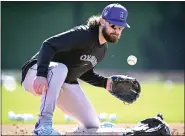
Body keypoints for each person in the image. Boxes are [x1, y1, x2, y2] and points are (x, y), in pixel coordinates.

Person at [21, 3, 130, 135]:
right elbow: (48, 45)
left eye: (121, 28)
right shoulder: (84, 34)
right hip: (34, 74)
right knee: (60, 69)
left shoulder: (102, 49)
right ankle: (42, 126)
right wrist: (41, 74)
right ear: (102, 21)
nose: (117, 31)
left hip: (62, 82)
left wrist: (104, 83)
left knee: (92, 125)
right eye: (114, 26)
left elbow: (83, 72)